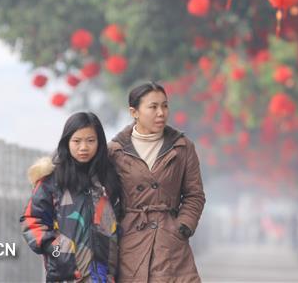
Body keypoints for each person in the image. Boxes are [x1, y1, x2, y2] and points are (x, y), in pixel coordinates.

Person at [109, 81, 206, 283]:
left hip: (170, 242)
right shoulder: (115, 150)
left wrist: (183, 227)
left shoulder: (182, 147)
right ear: (134, 112)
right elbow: (105, 196)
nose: (161, 112)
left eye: (165, 105)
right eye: (153, 107)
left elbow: (194, 194)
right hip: (130, 241)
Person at [20, 112, 125, 282]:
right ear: (67, 142)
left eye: (90, 140)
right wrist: (58, 252)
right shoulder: (52, 180)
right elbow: (31, 221)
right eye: (77, 141)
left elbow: (121, 221)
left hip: (105, 276)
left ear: (99, 142)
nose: (83, 147)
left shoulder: (108, 179)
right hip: (67, 276)